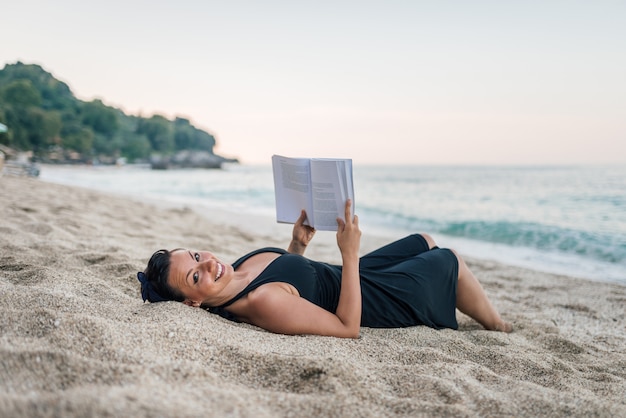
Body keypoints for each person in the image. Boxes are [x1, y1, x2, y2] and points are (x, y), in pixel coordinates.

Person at [138, 200, 512, 338]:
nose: (207, 264)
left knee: (423, 239)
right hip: (371, 299)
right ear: (192, 304)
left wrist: (298, 244)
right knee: (449, 259)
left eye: (195, 255)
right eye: (196, 276)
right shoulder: (262, 302)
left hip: (352, 274)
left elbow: (293, 278)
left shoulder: (233, 273)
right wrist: (349, 254)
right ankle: (497, 325)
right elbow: (346, 328)